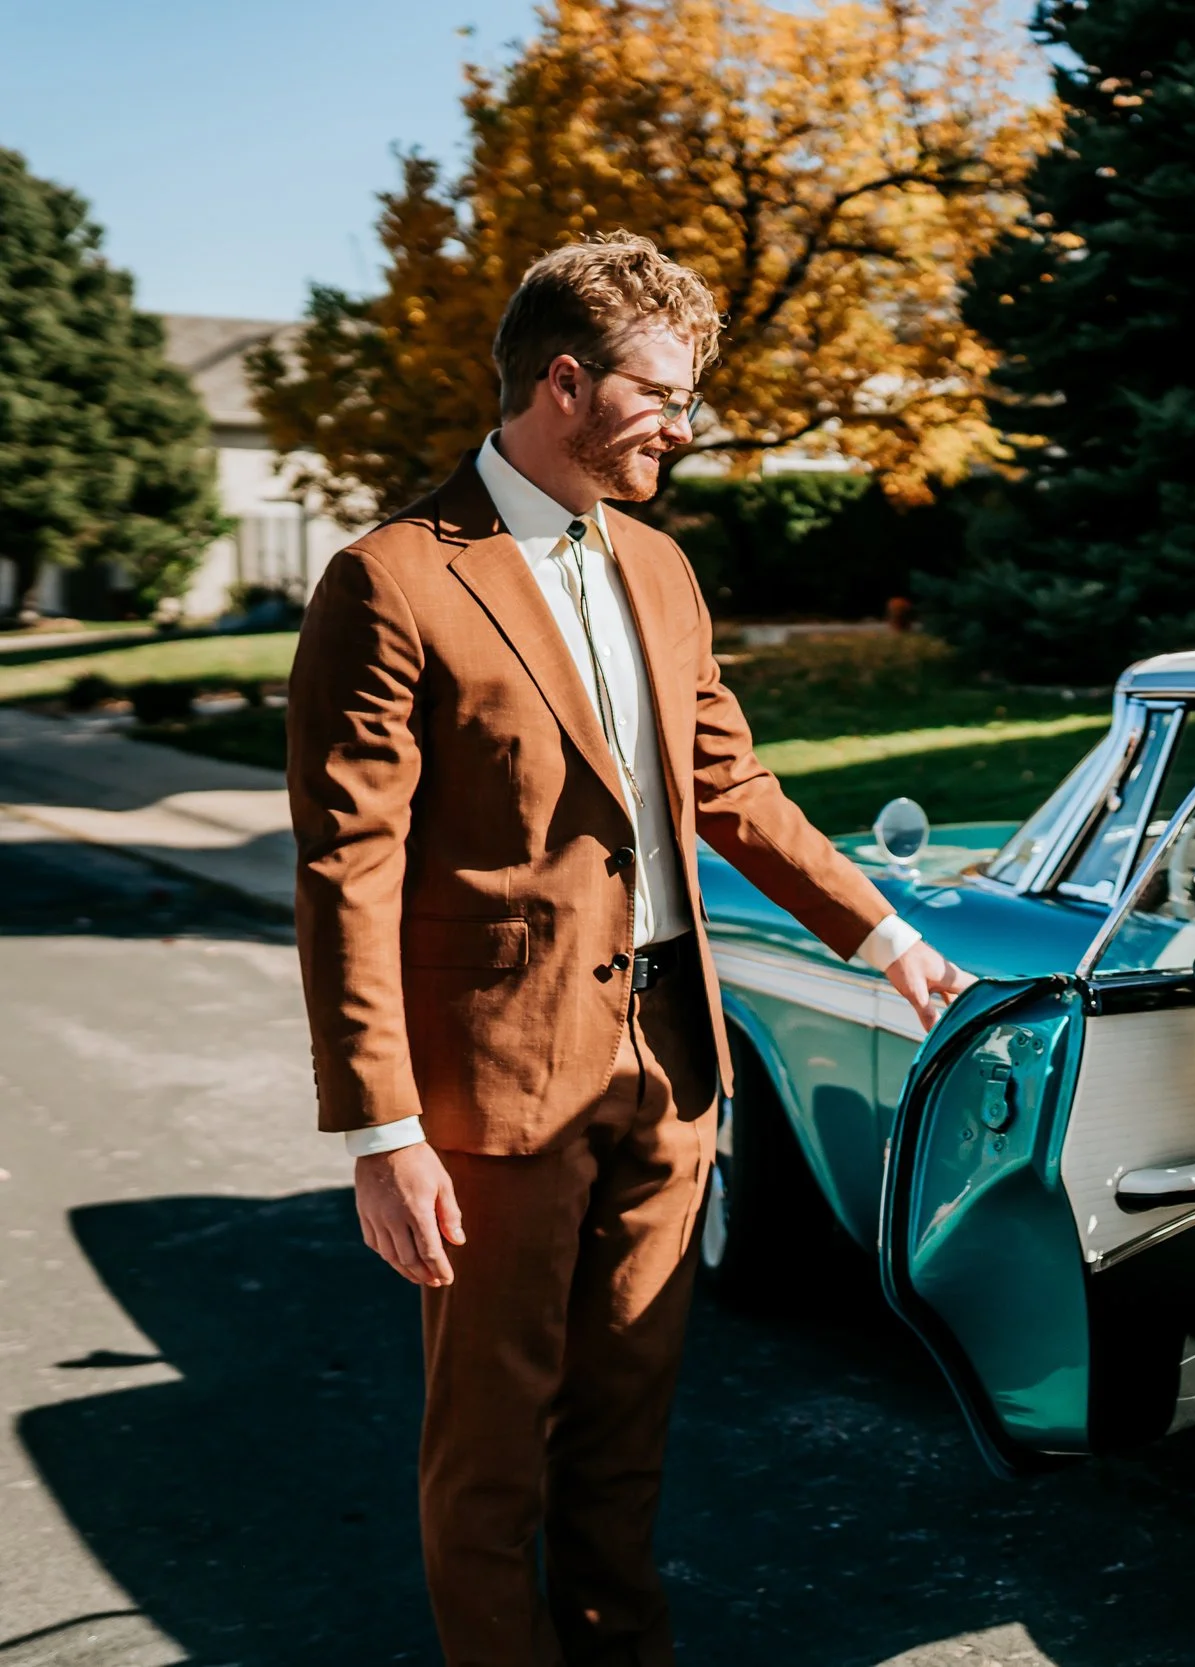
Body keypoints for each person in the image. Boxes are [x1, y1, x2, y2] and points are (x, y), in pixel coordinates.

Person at [287, 232, 971, 1666]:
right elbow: (348, 867)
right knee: (489, 1448)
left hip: (671, 1056)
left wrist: (886, 933)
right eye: (661, 392)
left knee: (627, 1423)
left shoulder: (661, 567)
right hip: (492, 1084)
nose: (683, 422)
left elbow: (732, 788)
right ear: (564, 380)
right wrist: (382, 1127)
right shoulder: (393, 578)